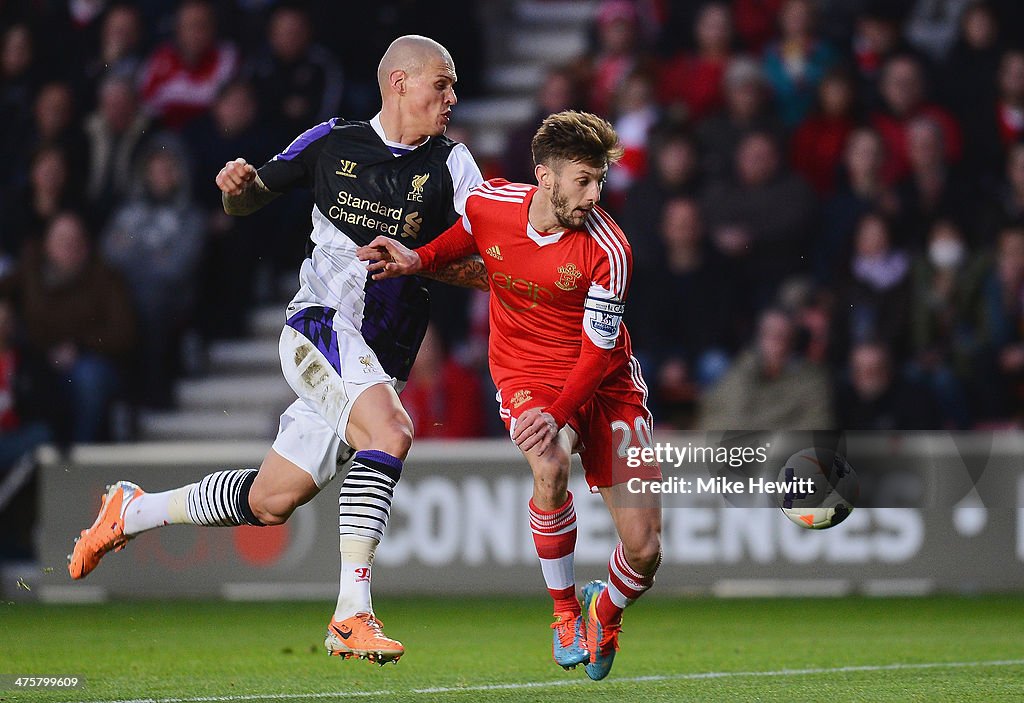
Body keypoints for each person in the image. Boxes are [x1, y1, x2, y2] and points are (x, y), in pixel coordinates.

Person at [67, 35, 486, 666]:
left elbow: (487, 262)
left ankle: (133, 510)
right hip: (319, 327)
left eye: (453, 86)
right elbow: (251, 197)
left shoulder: (454, 166)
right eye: (441, 84)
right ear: (399, 83)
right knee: (391, 432)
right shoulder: (331, 141)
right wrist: (236, 187)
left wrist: (419, 261)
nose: (451, 97)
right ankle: (352, 615)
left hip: (378, 359)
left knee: (271, 502)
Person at [357, 110, 663, 681]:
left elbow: (597, 355)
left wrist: (563, 412)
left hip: (608, 384)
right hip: (525, 371)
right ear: (544, 175)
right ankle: (566, 613)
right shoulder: (492, 202)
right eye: (583, 180)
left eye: (599, 180)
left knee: (644, 551)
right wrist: (417, 258)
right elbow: (469, 232)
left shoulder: (609, 251)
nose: (594, 195)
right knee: (547, 464)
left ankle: (606, 610)